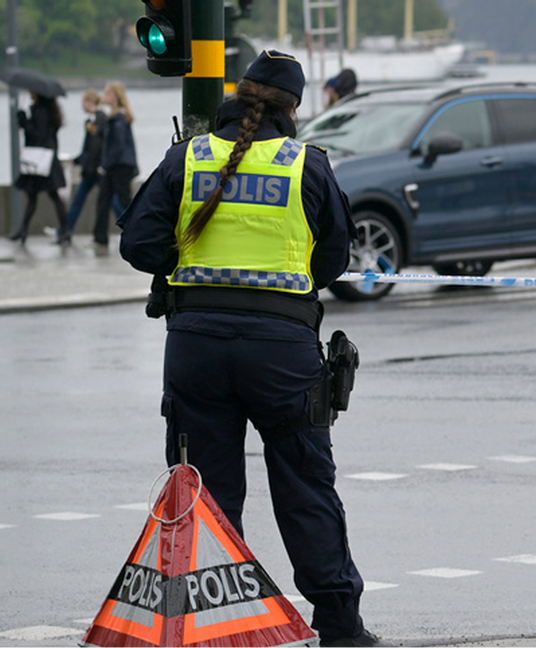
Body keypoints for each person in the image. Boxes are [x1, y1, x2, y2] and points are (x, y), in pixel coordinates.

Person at [118, 50, 381, 648]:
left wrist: (185, 266)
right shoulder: (306, 165)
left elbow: (138, 243)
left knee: (206, 492)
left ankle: (214, 625)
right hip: (282, 349)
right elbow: (334, 261)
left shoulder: (188, 158)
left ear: (239, 94)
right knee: (305, 483)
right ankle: (340, 624)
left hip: (196, 345)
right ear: (294, 108)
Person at [8, 92, 68, 245]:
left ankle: (25, 231)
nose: (29, 94)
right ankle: (25, 230)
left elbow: (37, 135)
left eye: (32, 92)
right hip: (45, 159)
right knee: (45, 196)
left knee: (38, 197)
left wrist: (23, 121)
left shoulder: (40, 111)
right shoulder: (49, 111)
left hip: (40, 160)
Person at [62, 90, 123, 234]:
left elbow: (97, 145)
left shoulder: (100, 118)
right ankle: (65, 229)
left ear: (90, 102)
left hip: (96, 169)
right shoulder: (92, 120)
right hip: (92, 168)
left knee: (110, 201)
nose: (82, 105)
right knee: (81, 200)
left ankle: (128, 224)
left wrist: (96, 164)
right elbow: (89, 146)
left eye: (84, 102)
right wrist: (78, 160)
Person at [93, 81, 138, 255]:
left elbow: (118, 145)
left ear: (115, 96)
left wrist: (105, 165)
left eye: (107, 93)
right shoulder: (117, 116)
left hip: (118, 165)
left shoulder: (118, 117)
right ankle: (100, 236)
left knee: (121, 199)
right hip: (121, 164)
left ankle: (132, 230)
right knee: (106, 199)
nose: (104, 96)